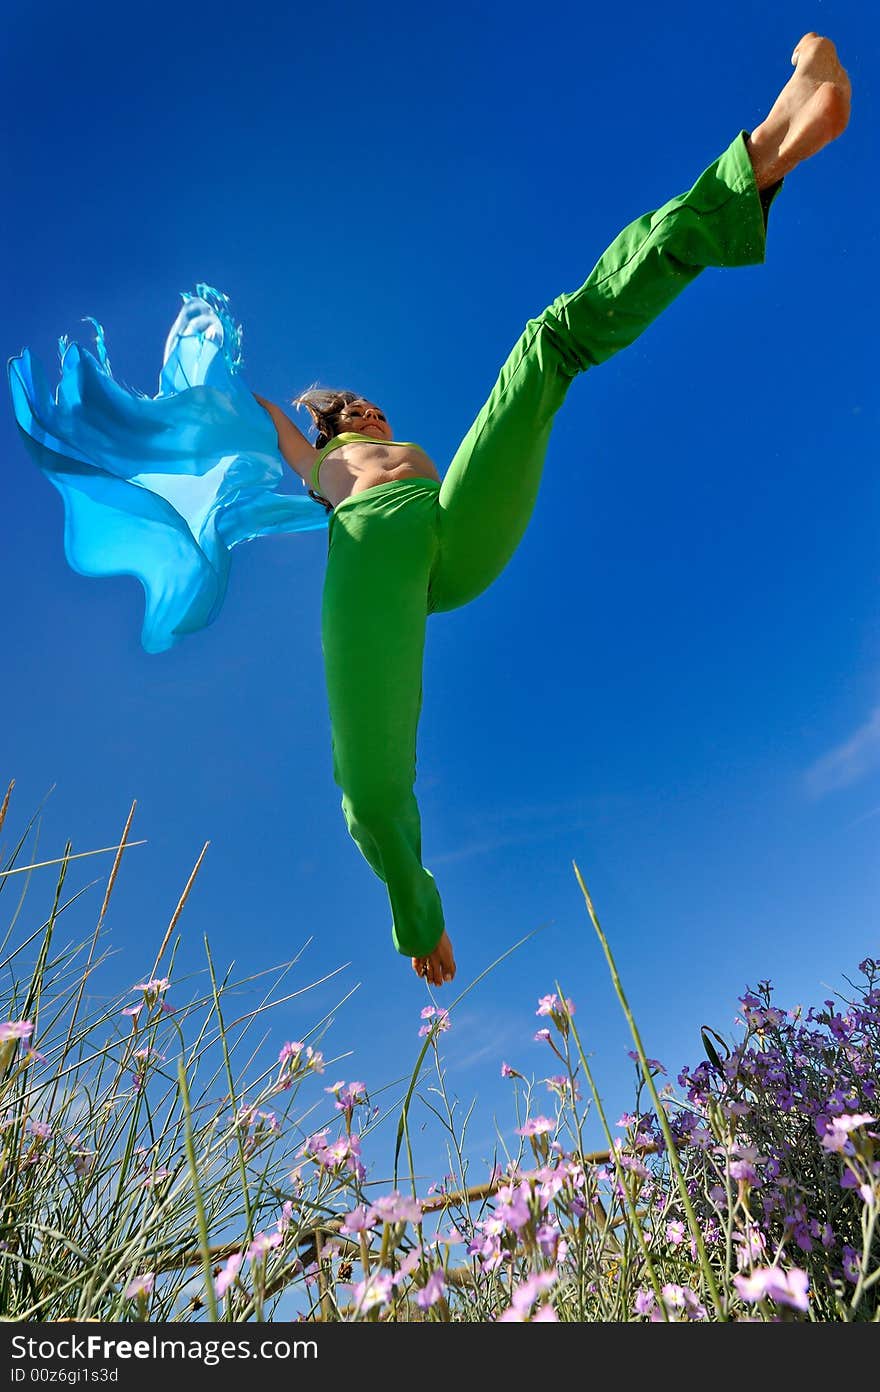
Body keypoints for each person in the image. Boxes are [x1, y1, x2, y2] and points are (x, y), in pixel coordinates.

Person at [9, 35, 850, 991]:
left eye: (366, 406)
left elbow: (412, 426)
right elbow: (270, 424)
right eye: (351, 411)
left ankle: (766, 157)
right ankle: (419, 913)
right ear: (335, 425)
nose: (369, 413)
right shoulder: (319, 461)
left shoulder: (397, 443)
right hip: (374, 568)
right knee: (368, 788)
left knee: (546, 346)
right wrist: (225, 398)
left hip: (452, 533)